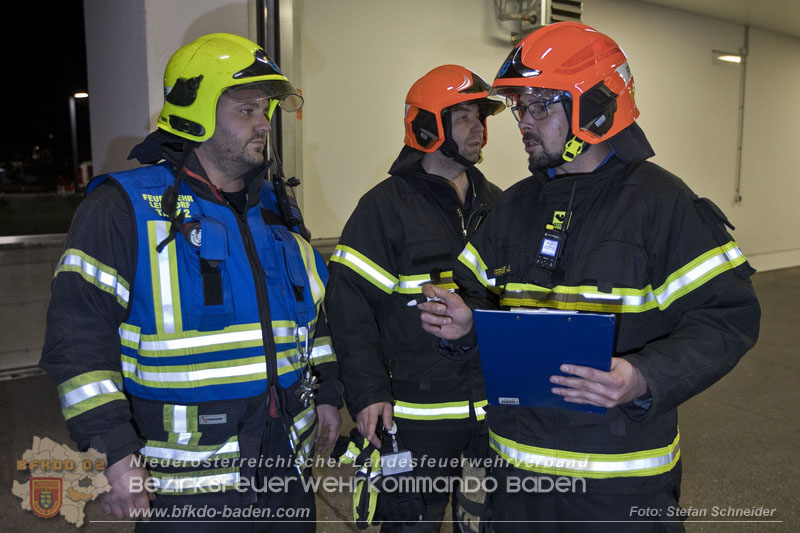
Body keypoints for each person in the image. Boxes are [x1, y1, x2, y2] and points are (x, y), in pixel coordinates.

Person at [418, 22, 760, 531]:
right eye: (520, 108)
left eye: (540, 107)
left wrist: (645, 376)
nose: (523, 124)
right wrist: (464, 324)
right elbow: (477, 299)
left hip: (616, 492)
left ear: (595, 108)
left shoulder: (661, 202)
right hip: (516, 482)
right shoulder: (513, 206)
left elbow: (728, 317)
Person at [40, 33, 342, 530]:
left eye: (264, 110)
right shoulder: (123, 209)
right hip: (186, 491)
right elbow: (77, 344)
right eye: (246, 109)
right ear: (195, 111)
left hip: (285, 471)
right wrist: (113, 454)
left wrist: (329, 391)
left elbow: (312, 315)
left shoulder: (275, 209)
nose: (262, 124)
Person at [325, 64, 504, 531]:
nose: (478, 129)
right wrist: (367, 394)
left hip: (492, 415)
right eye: (463, 116)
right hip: (414, 419)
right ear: (427, 127)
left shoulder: (501, 206)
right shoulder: (383, 208)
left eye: (480, 117)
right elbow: (349, 311)